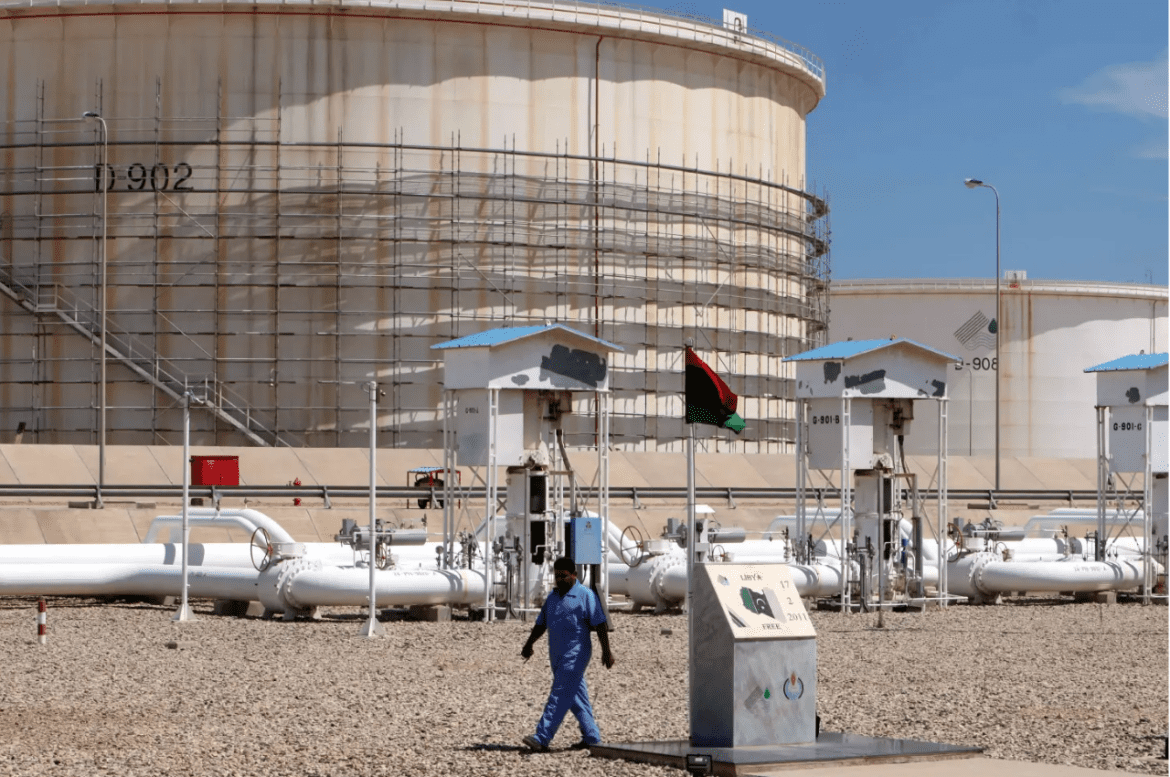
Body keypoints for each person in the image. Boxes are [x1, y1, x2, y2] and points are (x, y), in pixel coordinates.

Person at [520, 556, 615, 752]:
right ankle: (592, 737)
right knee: (576, 696)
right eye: (557, 576)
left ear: (574, 575)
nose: (560, 580)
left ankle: (542, 737)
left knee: (560, 693)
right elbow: (541, 624)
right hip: (556, 655)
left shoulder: (585, 595)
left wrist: (606, 651)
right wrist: (529, 644)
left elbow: (600, 624)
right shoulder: (553, 597)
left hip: (576, 654)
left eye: (563, 576)